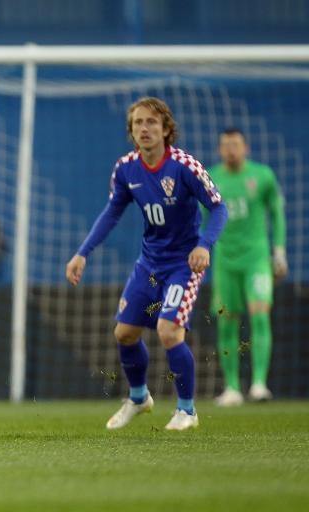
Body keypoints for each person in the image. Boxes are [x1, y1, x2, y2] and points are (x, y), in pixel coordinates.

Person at [65, 97, 228, 431]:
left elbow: (219, 208)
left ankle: (187, 411)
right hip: (149, 264)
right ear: (131, 130)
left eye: (152, 122)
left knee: (169, 332)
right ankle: (139, 398)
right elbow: (111, 213)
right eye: (138, 122)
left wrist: (204, 245)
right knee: (124, 333)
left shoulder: (184, 166)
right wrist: (82, 252)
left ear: (166, 129)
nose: (144, 128)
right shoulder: (126, 169)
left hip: (184, 264)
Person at [208, 128, 287, 406]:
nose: (231, 149)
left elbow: (276, 213)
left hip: (256, 258)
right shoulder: (211, 178)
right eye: (226, 145)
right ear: (220, 150)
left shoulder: (263, 176)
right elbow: (200, 219)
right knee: (227, 322)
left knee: (260, 315)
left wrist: (279, 252)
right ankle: (231, 388)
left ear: (246, 148)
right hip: (225, 260)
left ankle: (259, 385)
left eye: (236, 144)